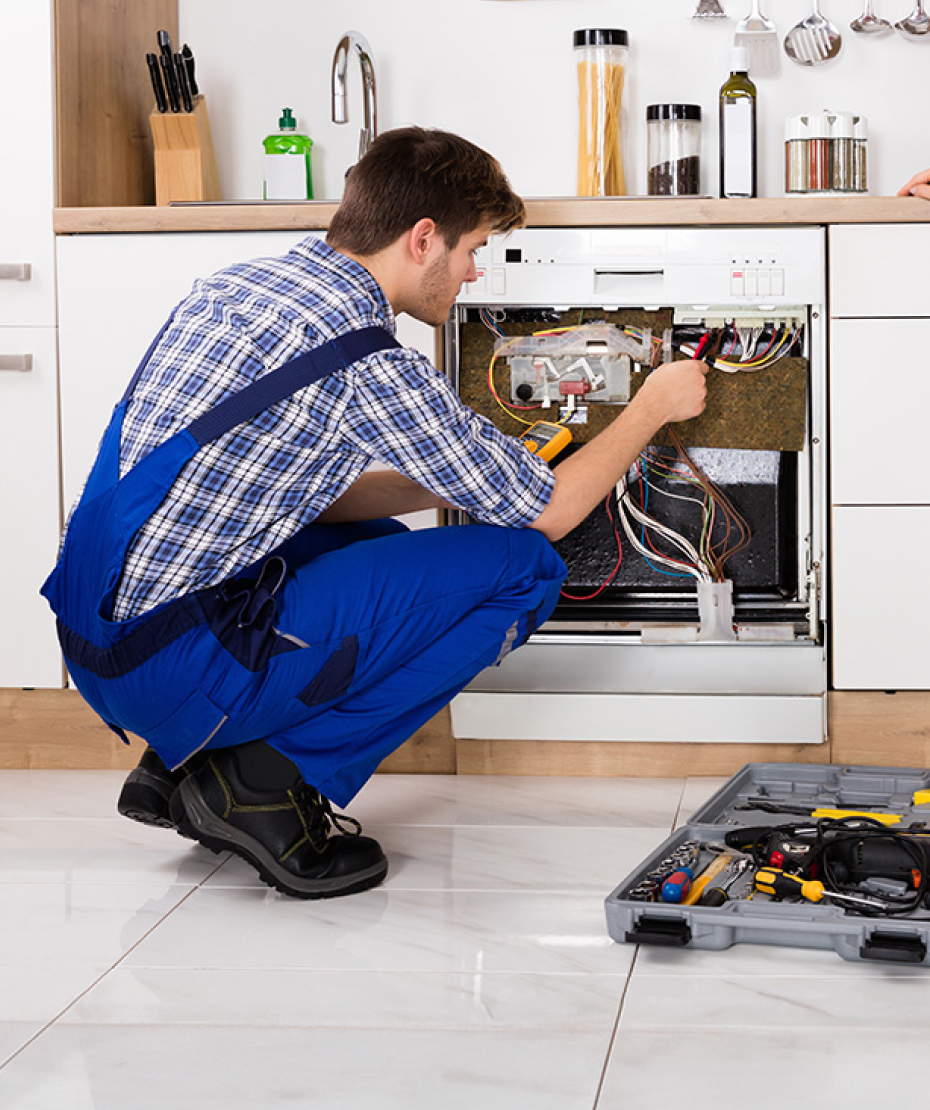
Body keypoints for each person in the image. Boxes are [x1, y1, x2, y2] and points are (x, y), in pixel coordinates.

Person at [42, 127, 707, 900]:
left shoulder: (240, 287)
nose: (472, 271)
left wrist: (450, 477)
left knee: (380, 540)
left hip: (94, 640)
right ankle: (258, 783)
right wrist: (653, 406)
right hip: (171, 665)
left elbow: (288, 494)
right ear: (423, 239)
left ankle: (183, 760)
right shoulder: (367, 357)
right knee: (522, 570)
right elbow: (552, 513)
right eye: (471, 250)